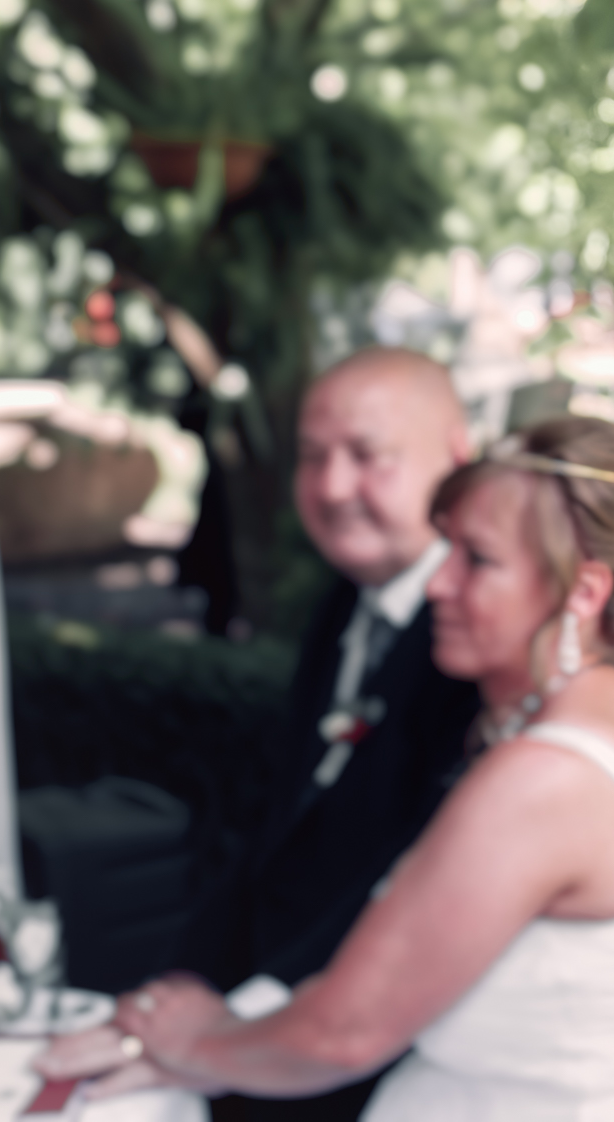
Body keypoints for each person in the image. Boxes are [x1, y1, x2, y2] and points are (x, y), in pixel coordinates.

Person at [39, 416, 614, 1119]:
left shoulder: (544, 779)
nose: (439, 583)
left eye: (478, 559)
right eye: (447, 550)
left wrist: (187, 1038)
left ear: (584, 593)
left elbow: (341, 1033)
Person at [164, 347, 481, 1121]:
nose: (333, 487)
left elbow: (409, 883)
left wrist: (239, 1024)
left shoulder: (480, 650)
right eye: (313, 457)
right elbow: (282, 834)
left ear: (456, 456)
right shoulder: (345, 604)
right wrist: (183, 981)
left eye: (367, 455)